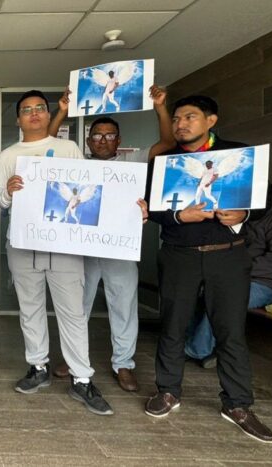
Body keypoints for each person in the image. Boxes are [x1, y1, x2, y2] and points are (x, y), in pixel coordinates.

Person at [0, 90, 138, 416]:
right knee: (30, 308)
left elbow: (90, 191)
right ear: (18, 119)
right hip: (23, 243)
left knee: (72, 311)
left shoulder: (68, 149)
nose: (34, 113)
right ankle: (38, 367)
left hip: (65, 244)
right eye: (26, 110)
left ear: (49, 115)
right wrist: (9, 192)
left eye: (39, 108)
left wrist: (129, 211)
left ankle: (82, 378)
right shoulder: (8, 155)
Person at [144, 95, 272, 444]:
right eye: (176, 119)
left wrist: (245, 213)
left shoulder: (239, 155)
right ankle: (167, 391)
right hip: (179, 255)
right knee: (172, 326)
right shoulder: (164, 163)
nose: (180, 124)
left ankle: (237, 404)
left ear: (211, 120)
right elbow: (149, 208)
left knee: (230, 331)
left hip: (228, 255)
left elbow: (268, 196)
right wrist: (177, 215)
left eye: (189, 117)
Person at [45, 86, 173, 392]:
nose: (103, 140)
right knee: (76, 307)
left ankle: (123, 364)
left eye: (109, 135)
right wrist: (62, 111)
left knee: (123, 307)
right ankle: (73, 359)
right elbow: (46, 145)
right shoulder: (76, 162)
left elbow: (168, 143)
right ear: (88, 141)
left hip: (119, 250)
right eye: (97, 136)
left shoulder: (134, 161)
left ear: (119, 140)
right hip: (82, 251)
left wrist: (160, 107)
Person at [185, 184, 272, 365]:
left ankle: (198, 350)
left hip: (269, 284)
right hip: (235, 277)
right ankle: (198, 343)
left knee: (225, 296)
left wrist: (234, 270)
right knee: (196, 288)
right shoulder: (238, 219)